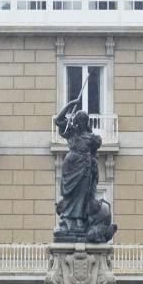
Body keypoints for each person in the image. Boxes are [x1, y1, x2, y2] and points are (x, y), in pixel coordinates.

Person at [54, 90, 102, 236]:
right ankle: (67, 220)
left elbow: (94, 155)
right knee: (69, 194)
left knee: (83, 193)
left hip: (84, 166)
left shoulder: (92, 137)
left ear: (86, 122)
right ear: (75, 120)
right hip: (70, 165)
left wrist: (94, 169)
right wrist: (70, 104)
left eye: (83, 120)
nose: (80, 122)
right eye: (78, 120)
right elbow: (58, 120)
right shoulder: (71, 132)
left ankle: (80, 219)